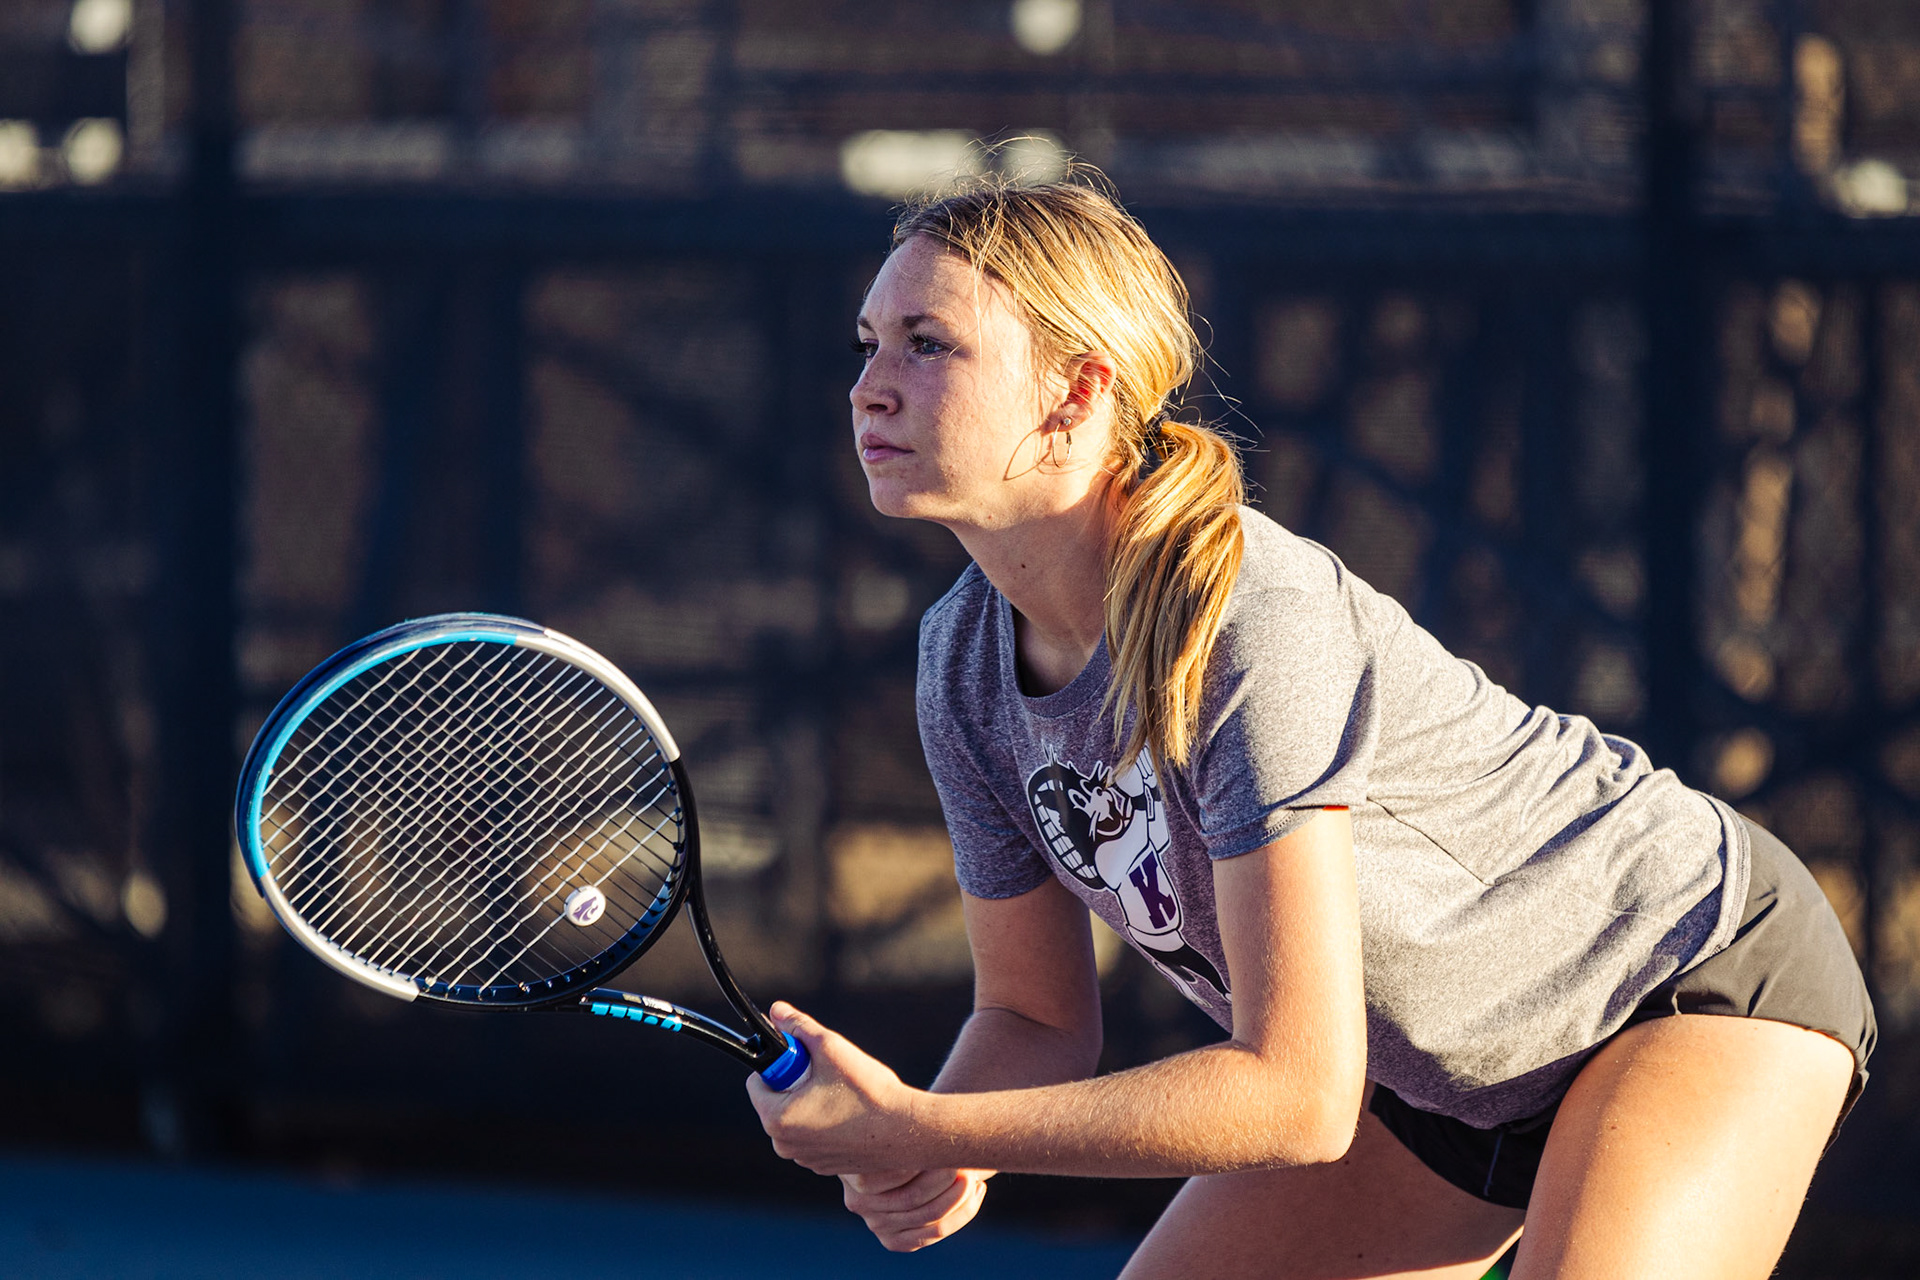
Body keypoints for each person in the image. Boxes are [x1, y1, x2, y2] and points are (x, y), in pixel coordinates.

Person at [746, 170, 1875, 1279]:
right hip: (1432, 1080)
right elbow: (1036, 1014)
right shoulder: (960, 665)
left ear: (1078, 391)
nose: (869, 387)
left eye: (927, 344)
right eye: (868, 341)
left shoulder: (1245, 619)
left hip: (1675, 975)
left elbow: (1296, 1089)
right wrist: (922, 1132)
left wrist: (931, 1130)